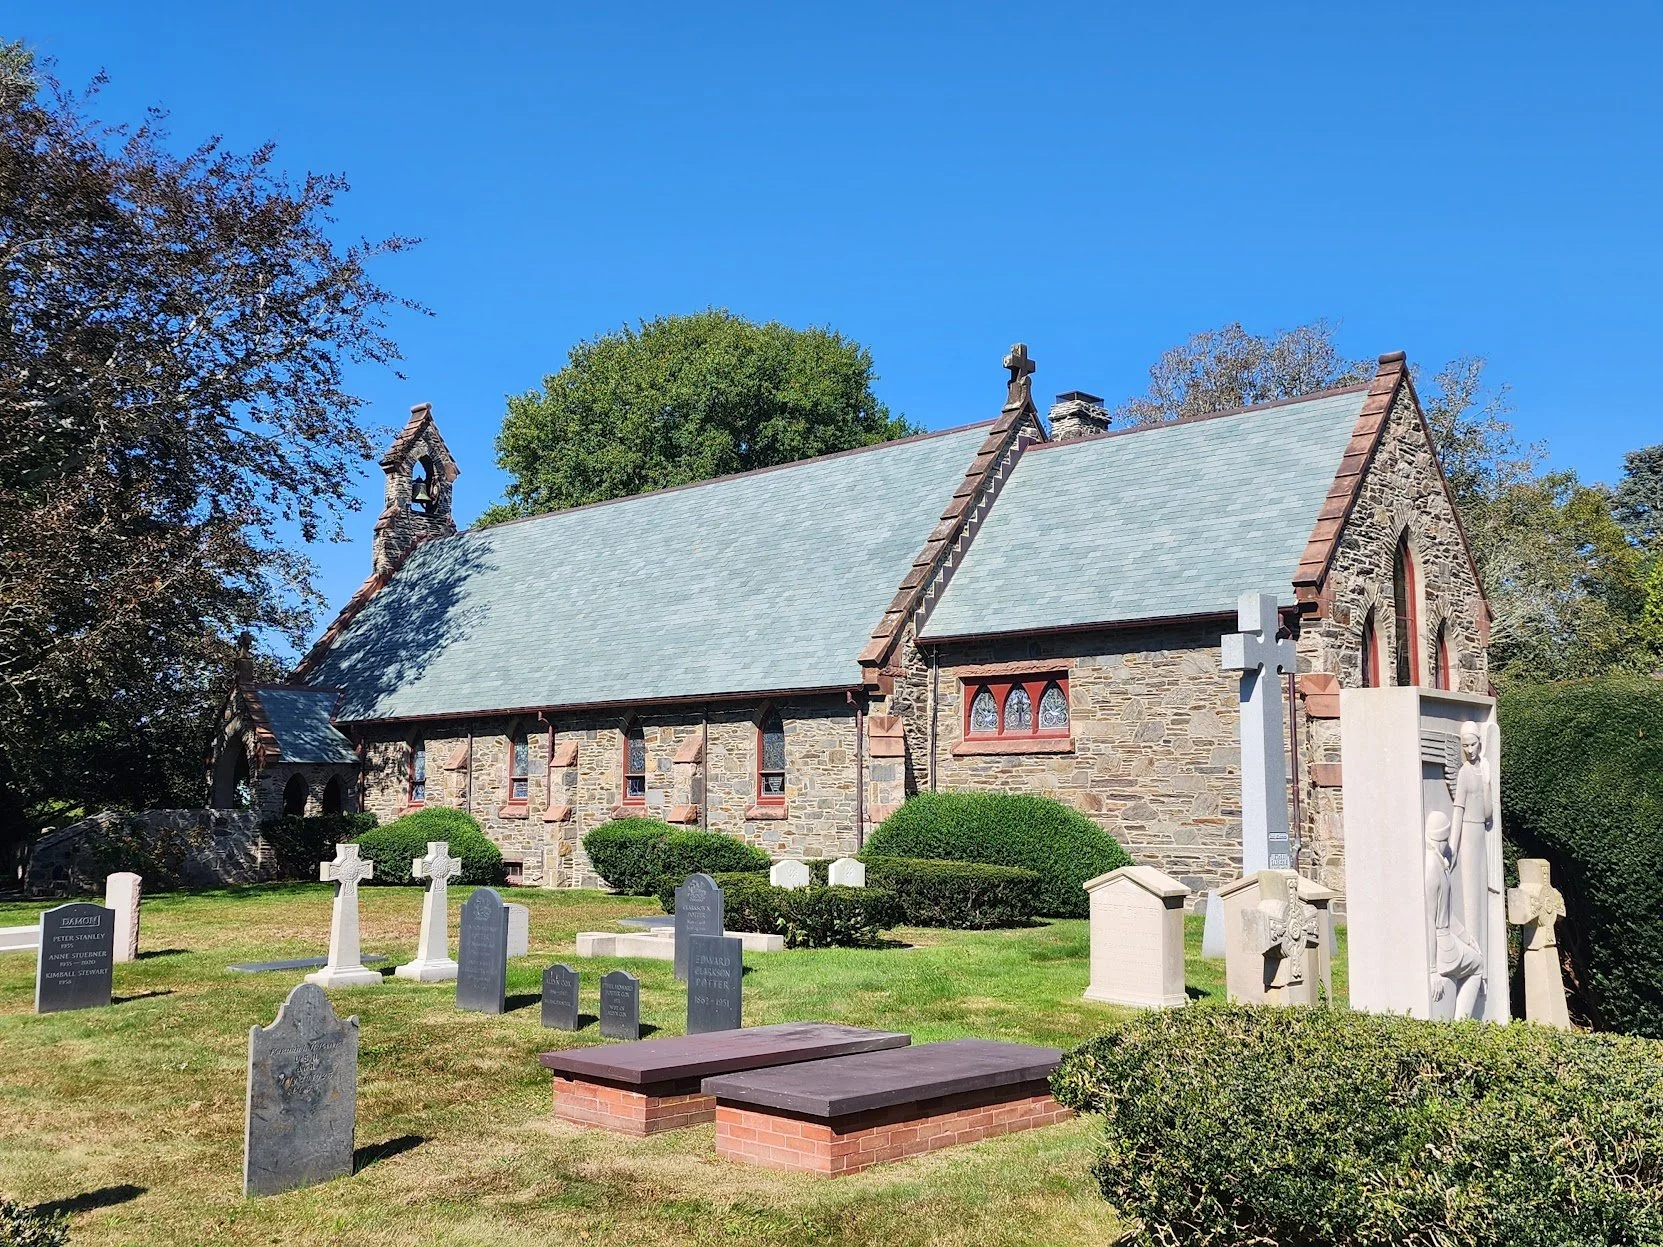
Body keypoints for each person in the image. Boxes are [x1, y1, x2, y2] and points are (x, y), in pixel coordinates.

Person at [1424, 811, 1483, 1019]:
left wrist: (1468, 939)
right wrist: (1431, 970)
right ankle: (1462, 1026)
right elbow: (1429, 920)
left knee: (1475, 960)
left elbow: (1448, 915)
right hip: (1443, 946)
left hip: (1447, 939)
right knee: (1477, 966)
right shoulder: (1432, 867)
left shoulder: (1439, 864)